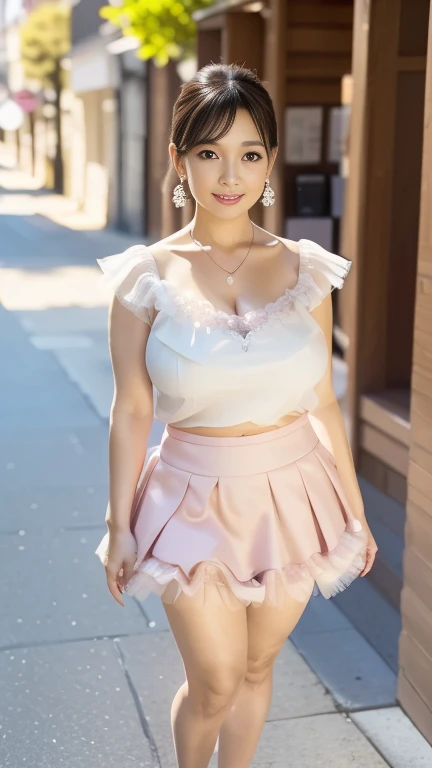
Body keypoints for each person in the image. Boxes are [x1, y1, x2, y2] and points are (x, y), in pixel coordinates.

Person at [94, 63, 378, 768]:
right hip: (190, 495)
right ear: (178, 160)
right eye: (209, 153)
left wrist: (355, 507)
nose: (231, 174)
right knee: (215, 680)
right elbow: (131, 409)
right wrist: (118, 521)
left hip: (294, 491)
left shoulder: (306, 269)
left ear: (270, 162)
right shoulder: (144, 277)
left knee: (256, 669)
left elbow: (321, 400)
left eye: (250, 153)